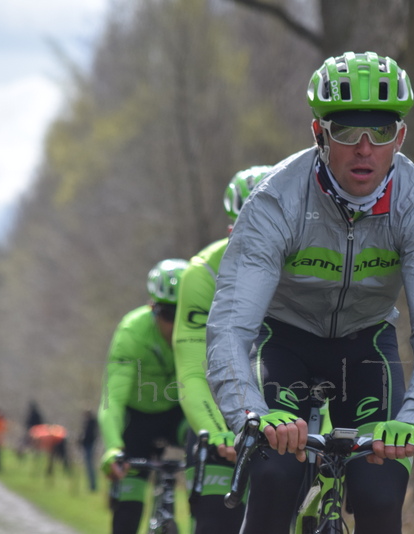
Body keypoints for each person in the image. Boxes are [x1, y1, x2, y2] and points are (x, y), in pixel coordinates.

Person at [205, 51, 414, 534]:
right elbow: (230, 329)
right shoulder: (276, 201)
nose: (364, 149)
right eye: (346, 132)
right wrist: (251, 414)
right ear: (319, 133)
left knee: (380, 496)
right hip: (284, 341)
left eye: (380, 132)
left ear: (400, 137)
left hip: (366, 346)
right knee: (275, 476)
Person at [173, 165, 272, 534]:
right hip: (220, 417)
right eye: (243, 228)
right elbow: (192, 369)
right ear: (230, 227)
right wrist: (218, 431)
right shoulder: (203, 272)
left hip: (289, 409)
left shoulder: (309, 268)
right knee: (217, 523)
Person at [98, 259, 190, 534]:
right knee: (128, 507)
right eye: (167, 314)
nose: (174, 324)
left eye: (183, 313)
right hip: (137, 419)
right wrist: (113, 447)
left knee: (205, 450)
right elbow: (111, 399)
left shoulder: (201, 331)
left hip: (179, 414)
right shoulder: (132, 332)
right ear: (152, 308)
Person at [79, 408, 99, 492]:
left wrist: (82, 441)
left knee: (90, 467)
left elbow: (89, 436)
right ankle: (91, 485)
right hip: (87, 446)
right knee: (89, 467)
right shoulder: (88, 423)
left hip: (89, 447)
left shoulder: (91, 424)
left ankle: (93, 486)